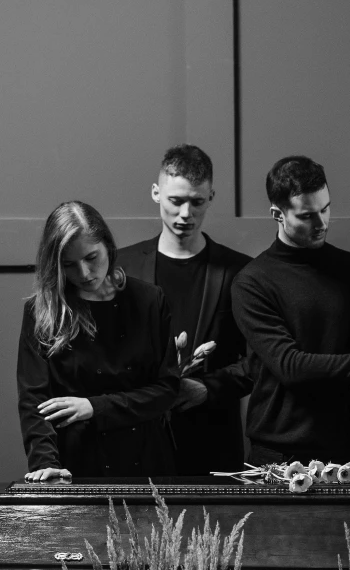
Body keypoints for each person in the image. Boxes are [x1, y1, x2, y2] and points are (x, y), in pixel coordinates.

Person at [231, 156, 350, 466]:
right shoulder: (253, 282)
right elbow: (290, 366)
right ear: (277, 215)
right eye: (307, 215)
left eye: (325, 209)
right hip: (278, 452)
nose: (322, 223)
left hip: (349, 451)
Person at [18, 202, 179, 482]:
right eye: (68, 264)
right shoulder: (41, 311)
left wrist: (95, 407)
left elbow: (166, 389)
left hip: (147, 461)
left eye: (91, 257)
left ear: (108, 247)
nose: (83, 273)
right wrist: (45, 462)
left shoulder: (150, 300)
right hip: (74, 463)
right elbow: (35, 401)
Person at [117, 144, 252, 475]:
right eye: (176, 201)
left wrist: (208, 388)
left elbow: (260, 362)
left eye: (197, 202)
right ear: (155, 193)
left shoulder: (240, 271)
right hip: (137, 441)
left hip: (214, 444)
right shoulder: (123, 267)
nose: (186, 214)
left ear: (212, 197)